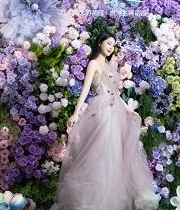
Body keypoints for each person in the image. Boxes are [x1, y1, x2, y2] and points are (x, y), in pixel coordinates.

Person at [56, 32, 160, 210]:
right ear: (100, 43)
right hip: (102, 110)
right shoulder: (94, 64)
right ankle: (95, 201)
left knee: (114, 153)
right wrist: (76, 113)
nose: (111, 47)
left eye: (113, 44)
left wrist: (129, 109)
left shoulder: (108, 65)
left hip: (115, 110)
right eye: (108, 43)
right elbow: (85, 89)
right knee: (101, 153)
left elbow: (115, 93)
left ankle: (110, 201)